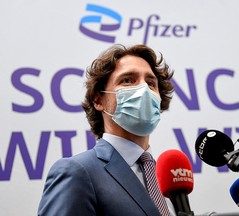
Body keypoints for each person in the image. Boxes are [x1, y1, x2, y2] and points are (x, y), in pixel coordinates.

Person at [38, 44, 175, 215]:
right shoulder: (78, 172)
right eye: (128, 80)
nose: (144, 90)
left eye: (150, 83)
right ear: (98, 100)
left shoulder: (168, 179)